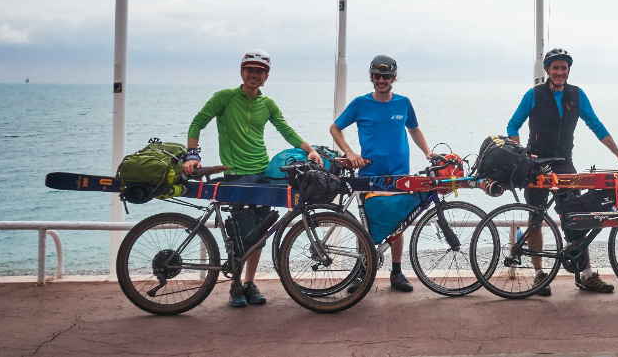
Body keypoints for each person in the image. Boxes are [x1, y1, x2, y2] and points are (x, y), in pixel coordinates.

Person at [183, 49, 322, 308]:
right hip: (235, 174)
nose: (254, 75)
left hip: (263, 173)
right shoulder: (224, 98)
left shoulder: (267, 104)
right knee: (241, 234)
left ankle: (249, 282)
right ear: (241, 71)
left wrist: (310, 150)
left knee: (259, 233)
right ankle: (235, 285)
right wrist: (192, 155)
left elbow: (285, 130)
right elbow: (198, 122)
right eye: (249, 69)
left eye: (259, 71)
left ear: (266, 76)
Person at [506, 47, 618, 295]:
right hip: (537, 162)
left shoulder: (577, 95)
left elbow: (595, 124)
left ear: (568, 70)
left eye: (564, 68)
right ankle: (540, 274)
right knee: (536, 217)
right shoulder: (533, 95)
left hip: (564, 161)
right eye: (556, 68)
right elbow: (513, 125)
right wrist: (522, 156)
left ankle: (585, 275)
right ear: (548, 71)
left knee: (578, 216)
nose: (560, 72)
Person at [330, 54, 432, 293]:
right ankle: (361, 272)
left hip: (399, 173)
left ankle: (396, 272)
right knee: (365, 224)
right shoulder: (360, 103)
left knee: (399, 221)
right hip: (370, 174)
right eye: (377, 76)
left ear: (393, 78)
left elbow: (414, 129)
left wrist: (428, 153)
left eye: (386, 76)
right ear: (372, 77)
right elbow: (335, 128)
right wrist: (349, 152)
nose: (381, 80)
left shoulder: (403, 103)